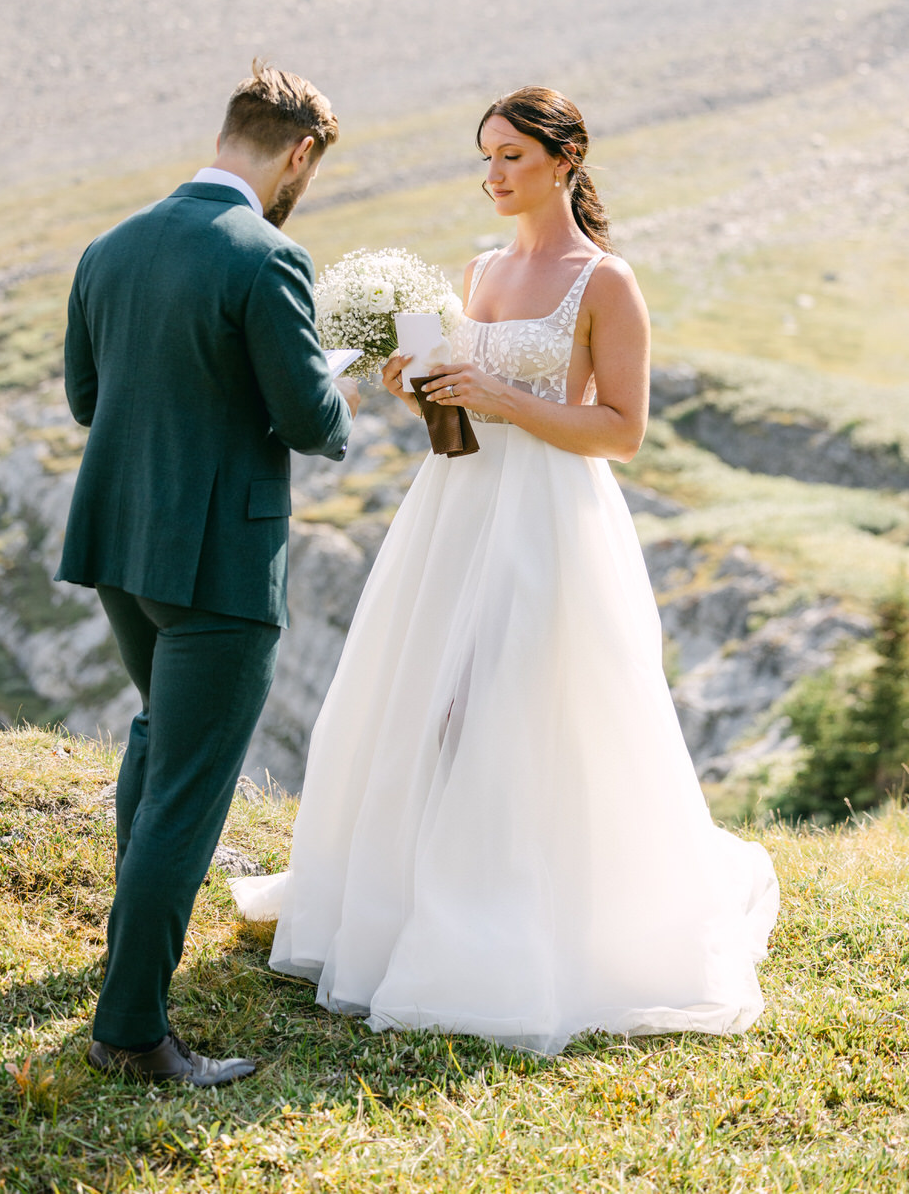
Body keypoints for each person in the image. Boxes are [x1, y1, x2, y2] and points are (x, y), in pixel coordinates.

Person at [232, 84, 778, 1054]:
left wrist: (499, 394)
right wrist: (422, 392)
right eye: (483, 158)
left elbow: (621, 430)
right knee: (433, 703)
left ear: (565, 159)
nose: (492, 175)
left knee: (521, 705)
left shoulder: (604, 282)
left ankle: (529, 915)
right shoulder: (481, 271)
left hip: (552, 522)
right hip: (458, 510)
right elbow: (464, 422)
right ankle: (418, 900)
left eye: (510, 158)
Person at [56, 62, 359, 1085]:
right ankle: (133, 1029)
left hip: (121, 546)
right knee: (191, 787)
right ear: (299, 153)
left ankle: (123, 967)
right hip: (221, 562)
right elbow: (312, 422)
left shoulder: (111, 246)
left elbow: (87, 398)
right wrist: (339, 376)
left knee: (157, 737)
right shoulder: (266, 259)